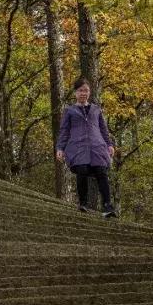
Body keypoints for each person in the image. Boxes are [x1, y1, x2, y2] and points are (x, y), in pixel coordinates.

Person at [54, 77, 118, 217]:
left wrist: (109, 144)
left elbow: (103, 129)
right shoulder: (69, 111)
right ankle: (83, 203)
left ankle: (107, 206)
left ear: (90, 92)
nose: (84, 93)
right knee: (82, 169)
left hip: (97, 147)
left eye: (86, 90)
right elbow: (64, 131)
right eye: (81, 90)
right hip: (78, 147)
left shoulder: (96, 110)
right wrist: (60, 148)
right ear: (76, 93)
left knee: (101, 171)